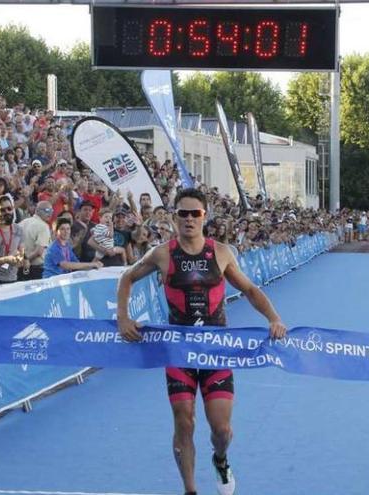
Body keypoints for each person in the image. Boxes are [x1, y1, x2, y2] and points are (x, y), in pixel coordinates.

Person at [116, 188, 288, 495]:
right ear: (174, 217)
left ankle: (220, 459)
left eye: (195, 214)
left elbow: (249, 289)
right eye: (183, 214)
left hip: (216, 351)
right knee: (185, 422)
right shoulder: (163, 253)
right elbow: (127, 277)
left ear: (204, 217)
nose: (189, 220)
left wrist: (273, 318)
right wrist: (123, 317)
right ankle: (190, 489)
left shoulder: (221, 252)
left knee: (221, 430)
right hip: (179, 351)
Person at [19, 200, 54, 280]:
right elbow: (39, 251)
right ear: (37, 211)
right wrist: (25, 260)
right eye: (47, 210)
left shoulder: (23, 222)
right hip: (37, 270)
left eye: (52, 210)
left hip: (21, 269)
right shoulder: (43, 226)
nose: (50, 213)